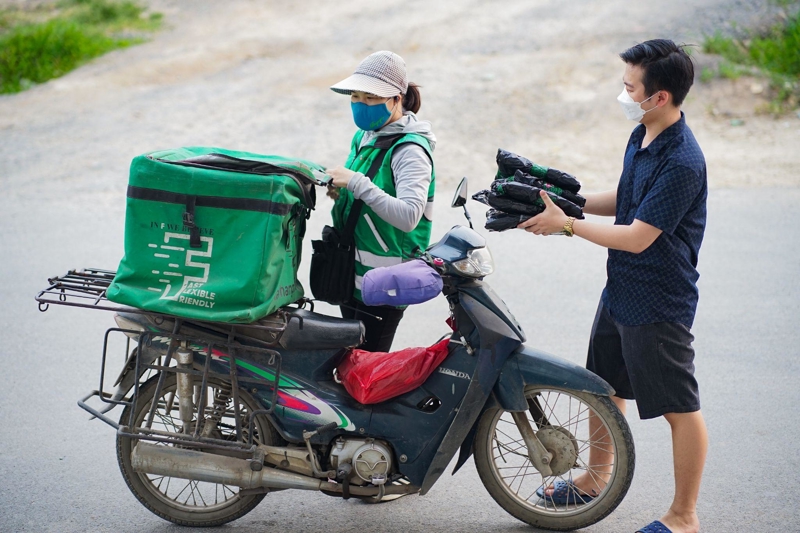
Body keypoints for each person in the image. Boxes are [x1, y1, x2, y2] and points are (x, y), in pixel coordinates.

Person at [519, 39, 708, 533]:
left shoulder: (683, 161)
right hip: (620, 288)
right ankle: (595, 478)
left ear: (659, 96)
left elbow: (638, 236)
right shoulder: (643, 133)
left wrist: (566, 226)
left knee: (678, 408)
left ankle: (684, 517)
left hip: (658, 300)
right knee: (602, 388)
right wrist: (564, 203)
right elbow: (626, 198)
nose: (623, 95)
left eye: (630, 88)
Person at [325, 51, 436, 353]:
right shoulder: (365, 136)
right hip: (353, 272)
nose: (361, 104)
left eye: (372, 97)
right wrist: (341, 191)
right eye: (355, 96)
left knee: (368, 367)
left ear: (397, 98)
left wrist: (356, 183)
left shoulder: (410, 151)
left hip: (385, 284)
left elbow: (408, 216)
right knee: (349, 362)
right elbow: (365, 192)